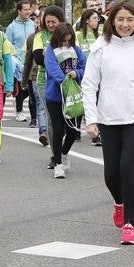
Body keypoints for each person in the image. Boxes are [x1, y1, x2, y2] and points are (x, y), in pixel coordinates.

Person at [81, 0, 134, 246]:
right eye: (120, 19)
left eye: (130, 19)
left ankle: (130, 223)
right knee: (110, 174)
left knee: (129, 166)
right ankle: (119, 202)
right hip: (108, 117)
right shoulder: (101, 47)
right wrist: (91, 119)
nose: (125, 24)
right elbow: (89, 85)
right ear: (112, 21)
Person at [43, 22, 86, 178]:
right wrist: (65, 81)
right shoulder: (50, 51)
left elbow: (84, 65)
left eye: (69, 40)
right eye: (63, 40)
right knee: (58, 129)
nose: (66, 43)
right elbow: (52, 70)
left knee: (73, 131)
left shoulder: (77, 50)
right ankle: (58, 164)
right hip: (55, 96)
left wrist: (77, 73)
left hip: (74, 96)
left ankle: (64, 152)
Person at [23, 6, 62, 147]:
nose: (51, 25)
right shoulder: (39, 36)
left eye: (54, 22)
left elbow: (71, 56)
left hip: (63, 81)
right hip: (42, 80)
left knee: (60, 117)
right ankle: (47, 138)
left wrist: (49, 54)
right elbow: (38, 58)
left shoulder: (66, 34)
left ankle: (60, 147)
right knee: (46, 112)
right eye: (48, 22)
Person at [5, 0, 36, 121]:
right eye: (25, 9)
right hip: (18, 61)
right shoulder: (11, 27)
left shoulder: (33, 24)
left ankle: (24, 107)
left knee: (30, 88)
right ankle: (19, 111)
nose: (28, 11)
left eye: (29, 9)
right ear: (19, 11)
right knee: (21, 86)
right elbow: (8, 44)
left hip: (31, 60)